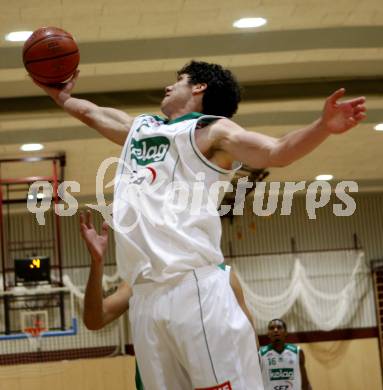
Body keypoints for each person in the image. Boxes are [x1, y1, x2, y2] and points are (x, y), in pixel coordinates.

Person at [33, 60, 366, 389]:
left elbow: (276, 151)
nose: (168, 86)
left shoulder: (213, 130)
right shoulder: (142, 129)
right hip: (145, 296)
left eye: (178, 80)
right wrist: (59, 95)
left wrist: (322, 126)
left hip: (194, 287)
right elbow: (91, 113)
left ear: (199, 86)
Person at [79, 210, 259, 389]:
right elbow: (95, 319)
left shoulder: (221, 276)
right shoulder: (141, 282)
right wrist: (97, 262)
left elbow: (251, 341)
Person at [259, 319, 312, 390]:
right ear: (268, 334)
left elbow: (305, 383)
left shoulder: (297, 352)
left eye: (279, 327)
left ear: (286, 332)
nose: (275, 330)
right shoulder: (261, 354)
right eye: (271, 328)